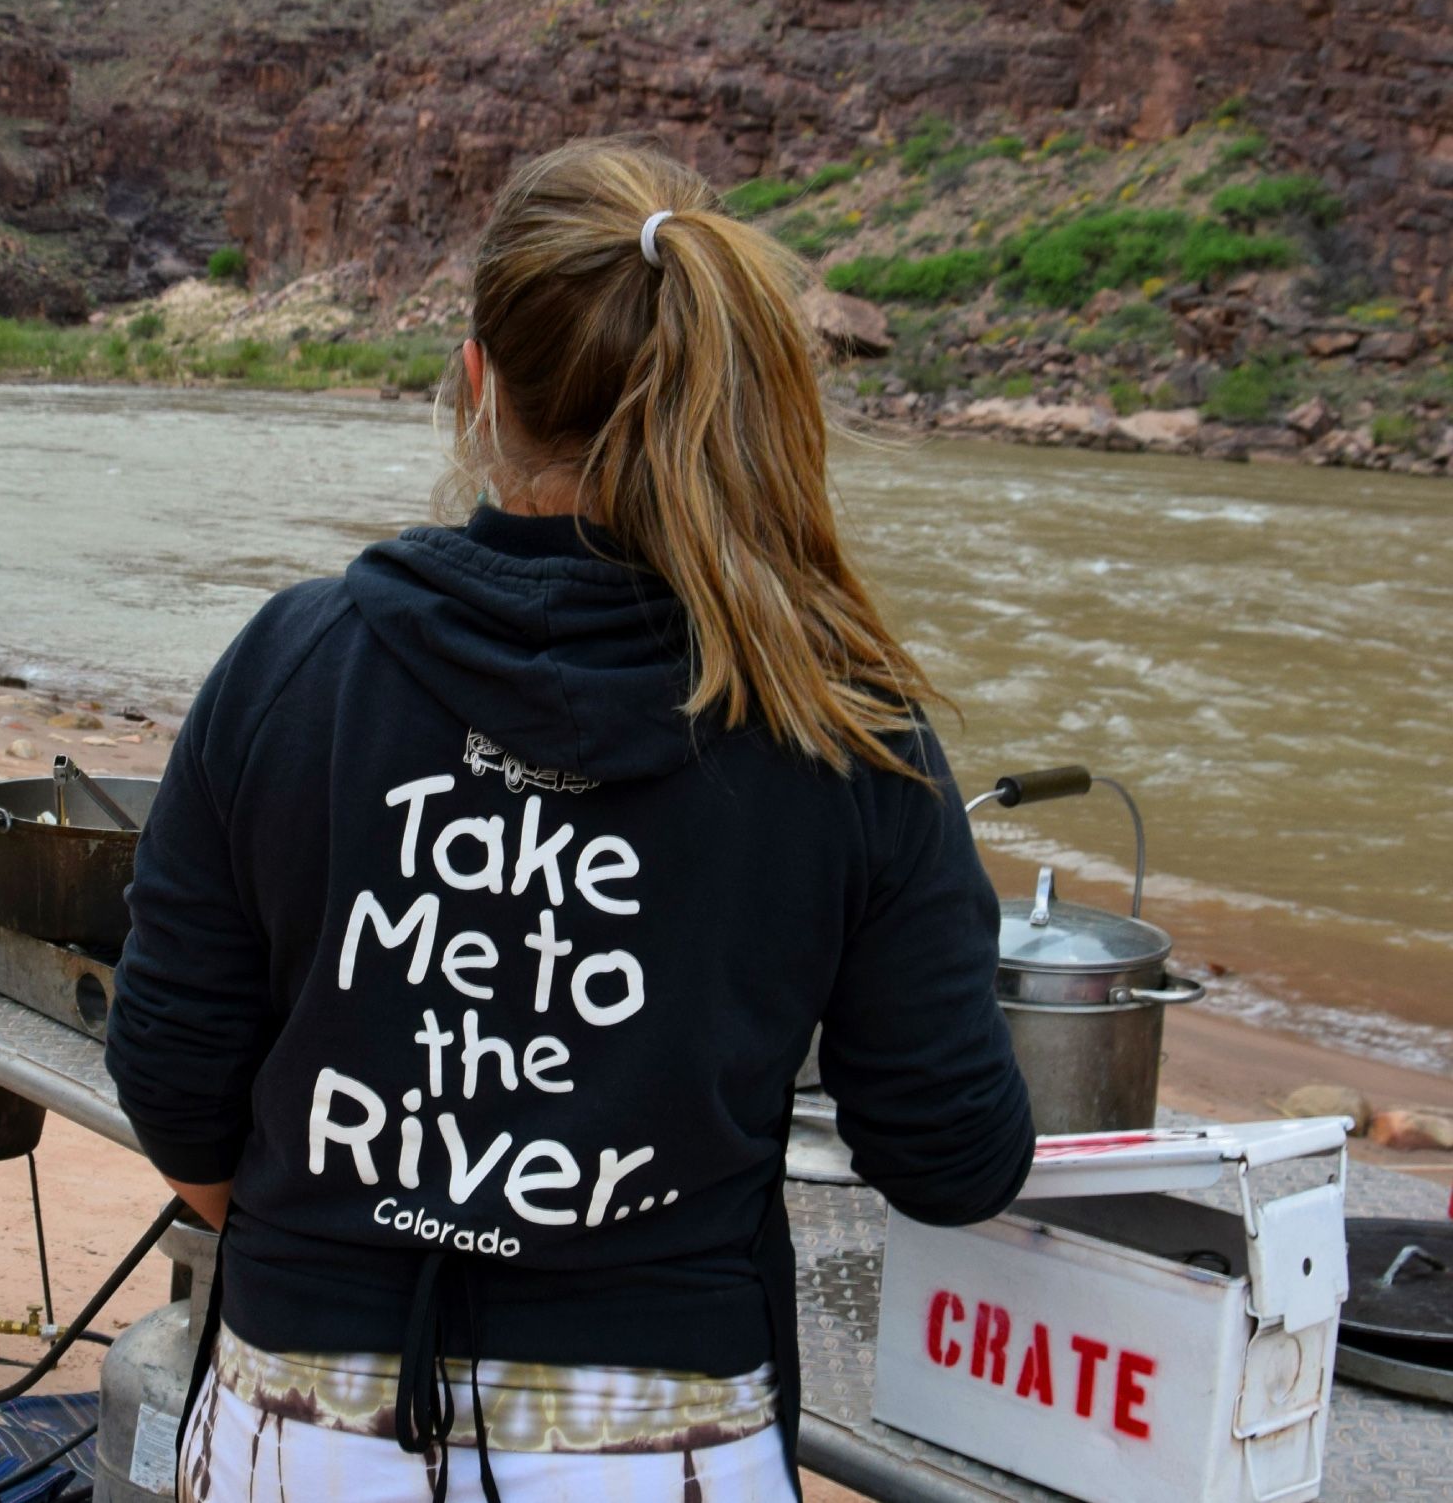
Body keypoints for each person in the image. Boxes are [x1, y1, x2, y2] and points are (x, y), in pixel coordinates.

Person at [105, 137, 1035, 1503]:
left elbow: (175, 1079)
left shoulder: (295, 663)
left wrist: (347, 1238)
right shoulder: (840, 723)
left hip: (298, 1429)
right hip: (664, 1450)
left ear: (477, 381)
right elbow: (953, 1156)